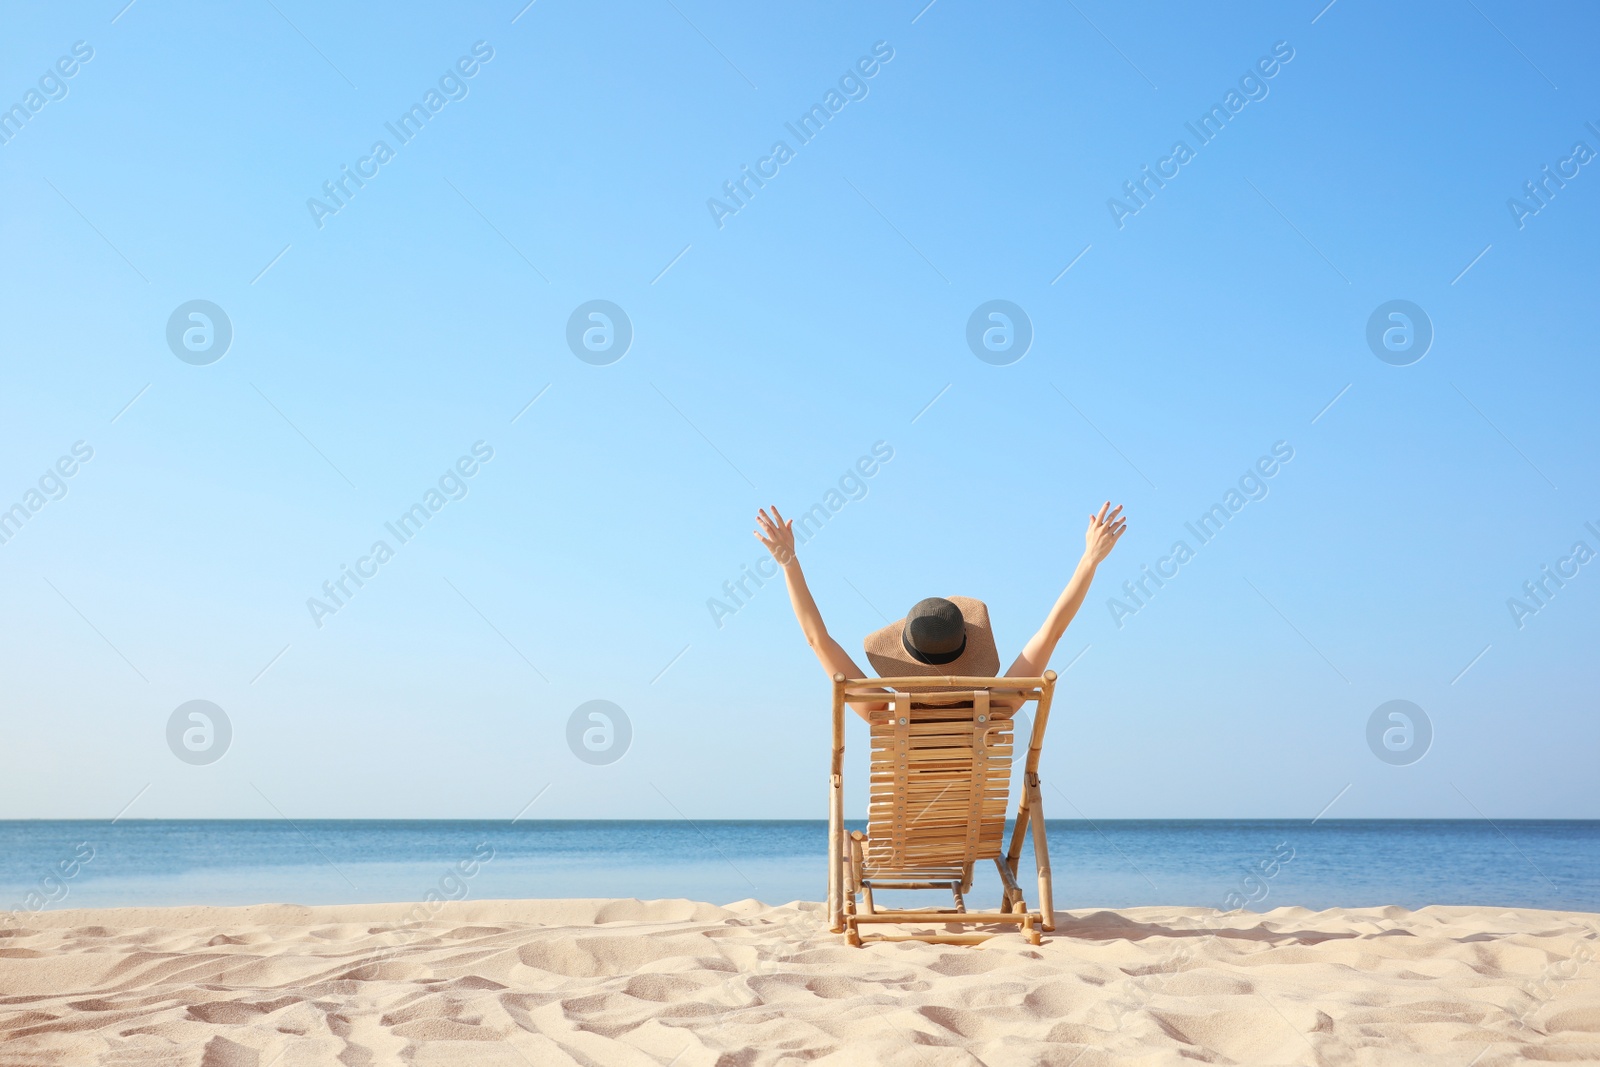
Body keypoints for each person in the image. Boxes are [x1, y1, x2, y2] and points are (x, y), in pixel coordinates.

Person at [753, 502, 1127, 720]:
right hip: (973, 838)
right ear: (966, 648)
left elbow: (817, 641)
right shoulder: (996, 709)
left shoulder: (885, 712)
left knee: (852, 849)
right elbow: (1052, 632)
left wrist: (789, 563)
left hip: (895, 845)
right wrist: (1089, 561)